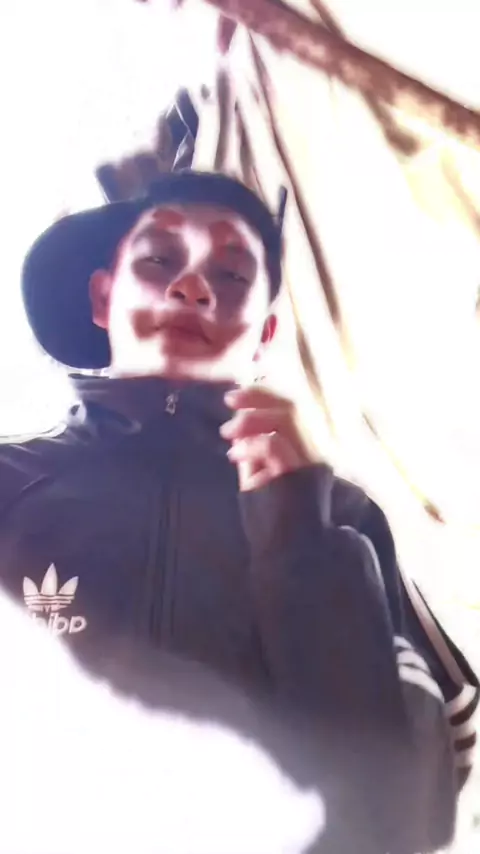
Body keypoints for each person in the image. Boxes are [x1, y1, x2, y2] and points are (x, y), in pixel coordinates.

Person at [0, 170, 477, 852]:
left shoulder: (342, 518)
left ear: (264, 333)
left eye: (230, 274)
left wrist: (301, 543)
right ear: (103, 297)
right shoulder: (11, 481)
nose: (191, 285)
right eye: (158, 259)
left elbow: (410, 814)